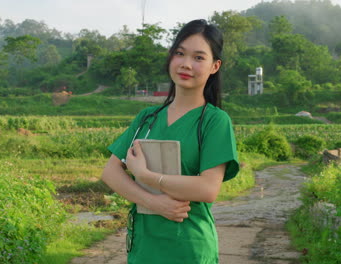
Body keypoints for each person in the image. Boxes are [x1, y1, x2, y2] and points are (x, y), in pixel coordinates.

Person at [102, 19, 239, 264]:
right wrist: (154, 202)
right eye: (180, 53)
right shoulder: (147, 118)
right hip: (143, 248)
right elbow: (111, 172)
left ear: (215, 66)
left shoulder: (215, 121)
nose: (186, 64)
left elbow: (208, 189)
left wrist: (146, 176)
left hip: (189, 248)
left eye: (199, 57)